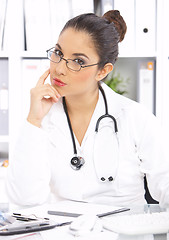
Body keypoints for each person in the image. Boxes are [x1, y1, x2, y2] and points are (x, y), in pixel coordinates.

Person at [6, 10, 169, 207]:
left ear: (103, 70)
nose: (59, 68)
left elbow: (165, 185)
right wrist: (34, 121)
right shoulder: (41, 117)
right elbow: (24, 199)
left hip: (122, 234)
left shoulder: (136, 118)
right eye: (58, 53)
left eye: (78, 61)